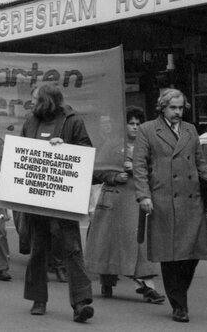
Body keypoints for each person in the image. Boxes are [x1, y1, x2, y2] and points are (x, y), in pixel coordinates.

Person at [132, 88, 207, 324]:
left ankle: (180, 293)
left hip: (192, 199)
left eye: (180, 108)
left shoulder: (191, 129)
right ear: (162, 107)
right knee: (170, 255)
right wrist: (143, 195)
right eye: (173, 108)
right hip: (163, 199)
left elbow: (200, 162)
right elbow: (139, 165)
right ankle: (179, 304)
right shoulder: (147, 129)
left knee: (192, 254)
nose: (178, 112)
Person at [21, 83, 95, 323]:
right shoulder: (30, 122)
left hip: (64, 197)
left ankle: (81, 303)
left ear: (47, 101)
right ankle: (38, 299)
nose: (31, 103)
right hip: (37, 196)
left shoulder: (73, 121)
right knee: (38, 248)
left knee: (72, 248)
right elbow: (23, 150)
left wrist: (65, 147)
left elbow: (86, 150)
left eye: (34, 99)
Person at [85, 106, 165, 303]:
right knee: (109, 242)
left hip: (138, 200)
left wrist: (138, 168)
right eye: (131, 123)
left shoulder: (148, 145)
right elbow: (98, 170)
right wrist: (114, 176)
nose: (135, 127)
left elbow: (158, 171)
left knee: (139, 243)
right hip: (114, 199)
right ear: (125, 125)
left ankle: (146, 285)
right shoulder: (112, 145)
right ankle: (107, 279)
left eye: (139, 123)